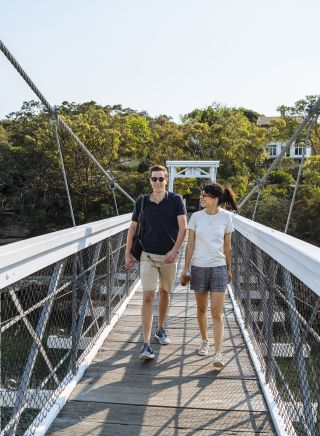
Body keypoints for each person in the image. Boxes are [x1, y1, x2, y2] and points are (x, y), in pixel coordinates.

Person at [125, 165, 187, 361]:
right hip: (148, 256)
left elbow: (183, 228)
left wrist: (175, 250)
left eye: (161, 179)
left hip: (169, 256)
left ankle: (160, 329)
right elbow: (132, 229)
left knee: (165, 293)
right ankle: (146, 344)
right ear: (150, 181)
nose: (158, 182)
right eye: (154, 179)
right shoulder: (142, 201)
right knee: (149, 295)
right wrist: (127, 254)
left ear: (166, 179)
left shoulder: (176, 200)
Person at [180, 183, 238, 368]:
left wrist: (229, 269)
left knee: (217, 312)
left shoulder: (227, 218)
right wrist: (185, 269)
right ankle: (205, 341)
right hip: (198, 267)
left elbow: (228, 246)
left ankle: (218, 353)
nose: (201, 197)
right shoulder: (196, 217)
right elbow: (190, 245)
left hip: (219, 267)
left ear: (214, 198)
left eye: (204, 195)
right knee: (202, 309)